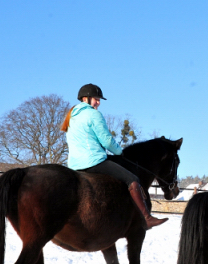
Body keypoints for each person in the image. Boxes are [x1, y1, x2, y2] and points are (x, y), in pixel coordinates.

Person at [61, 83, 167, 229]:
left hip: (74, 164)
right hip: (94, 161)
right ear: (86, 98)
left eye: (99, 100)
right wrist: (119, 151)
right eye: (96, 99)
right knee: (133, 179)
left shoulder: (72, 116)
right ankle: (146, 218)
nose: (98, 102)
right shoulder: (93, 114)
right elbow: (106, 140)